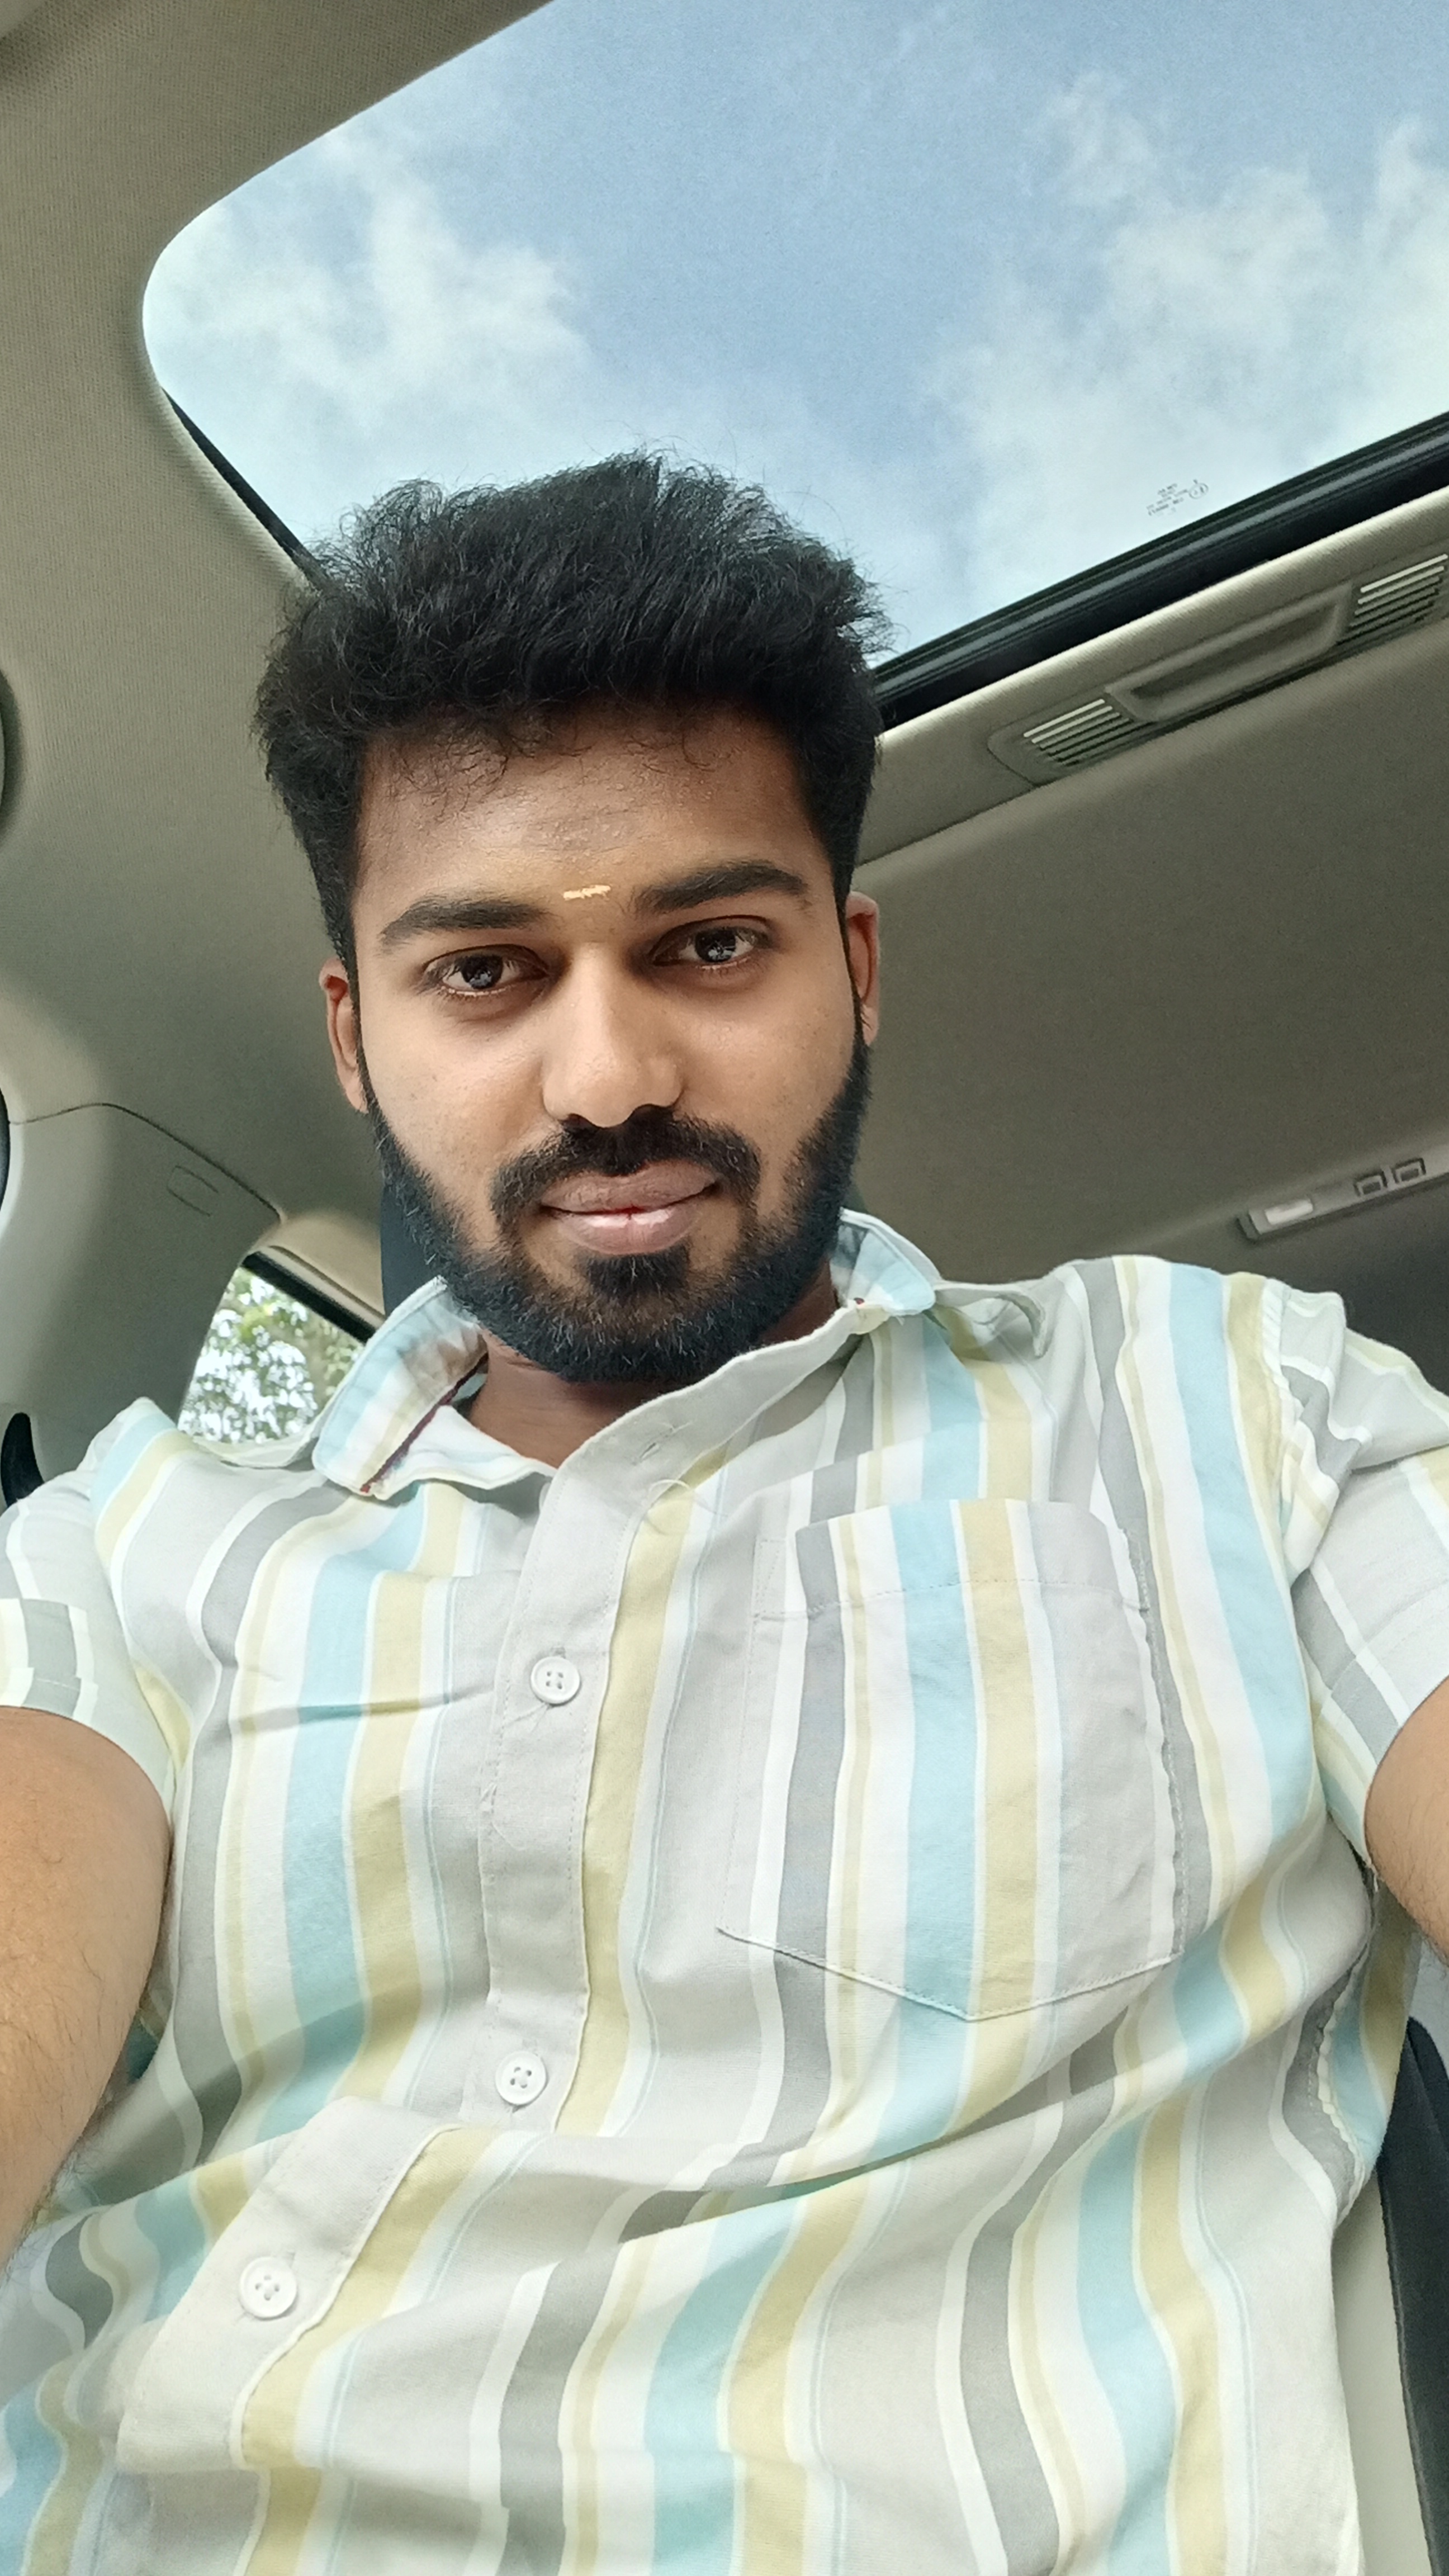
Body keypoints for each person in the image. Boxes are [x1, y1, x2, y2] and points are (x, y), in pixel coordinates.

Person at [0, 455, 1446, 2576]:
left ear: (851, 963)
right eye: (484, 973)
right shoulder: (128, 1552)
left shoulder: (1228, 1411)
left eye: (708, 943)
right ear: (355, 1037)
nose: (607, 1078)